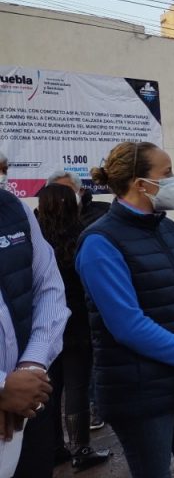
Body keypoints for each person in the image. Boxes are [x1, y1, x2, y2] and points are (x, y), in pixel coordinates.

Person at [76, 142, 174, 477]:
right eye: (166, 173)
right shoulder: (100, 242)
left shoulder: (166, 227)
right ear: (140, 184)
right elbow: (128, 325)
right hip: (140, 393)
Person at [35, 184, 110, 471]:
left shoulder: (35, 240)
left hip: (44, 326)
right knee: (77, 386)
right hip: (77, 323)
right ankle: (81, 448)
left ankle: (54, 446)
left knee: (51, 389)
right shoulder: (83, 237)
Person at [0, 186, 70, 476]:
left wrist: (31, 366)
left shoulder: (13, 209)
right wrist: (3, 387)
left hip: (30, 401)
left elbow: (48, 287)